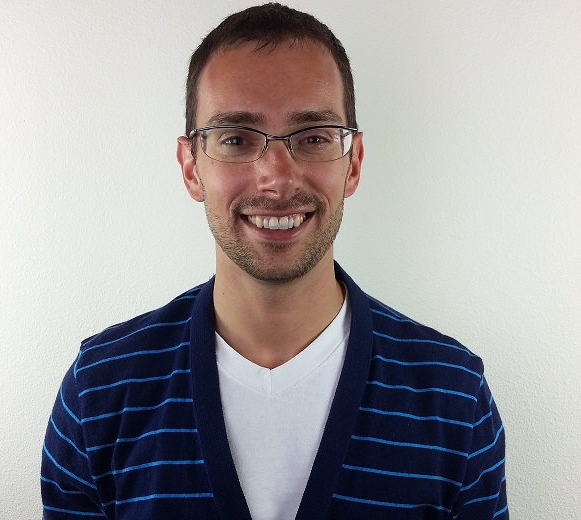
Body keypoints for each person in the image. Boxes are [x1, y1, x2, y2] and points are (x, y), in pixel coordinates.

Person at [41, 3, 508, 519]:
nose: (277, 178)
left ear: (353, 163)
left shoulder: (454, 398)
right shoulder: (99, 392)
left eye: (314, 137)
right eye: (235, 139)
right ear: (191, 168)